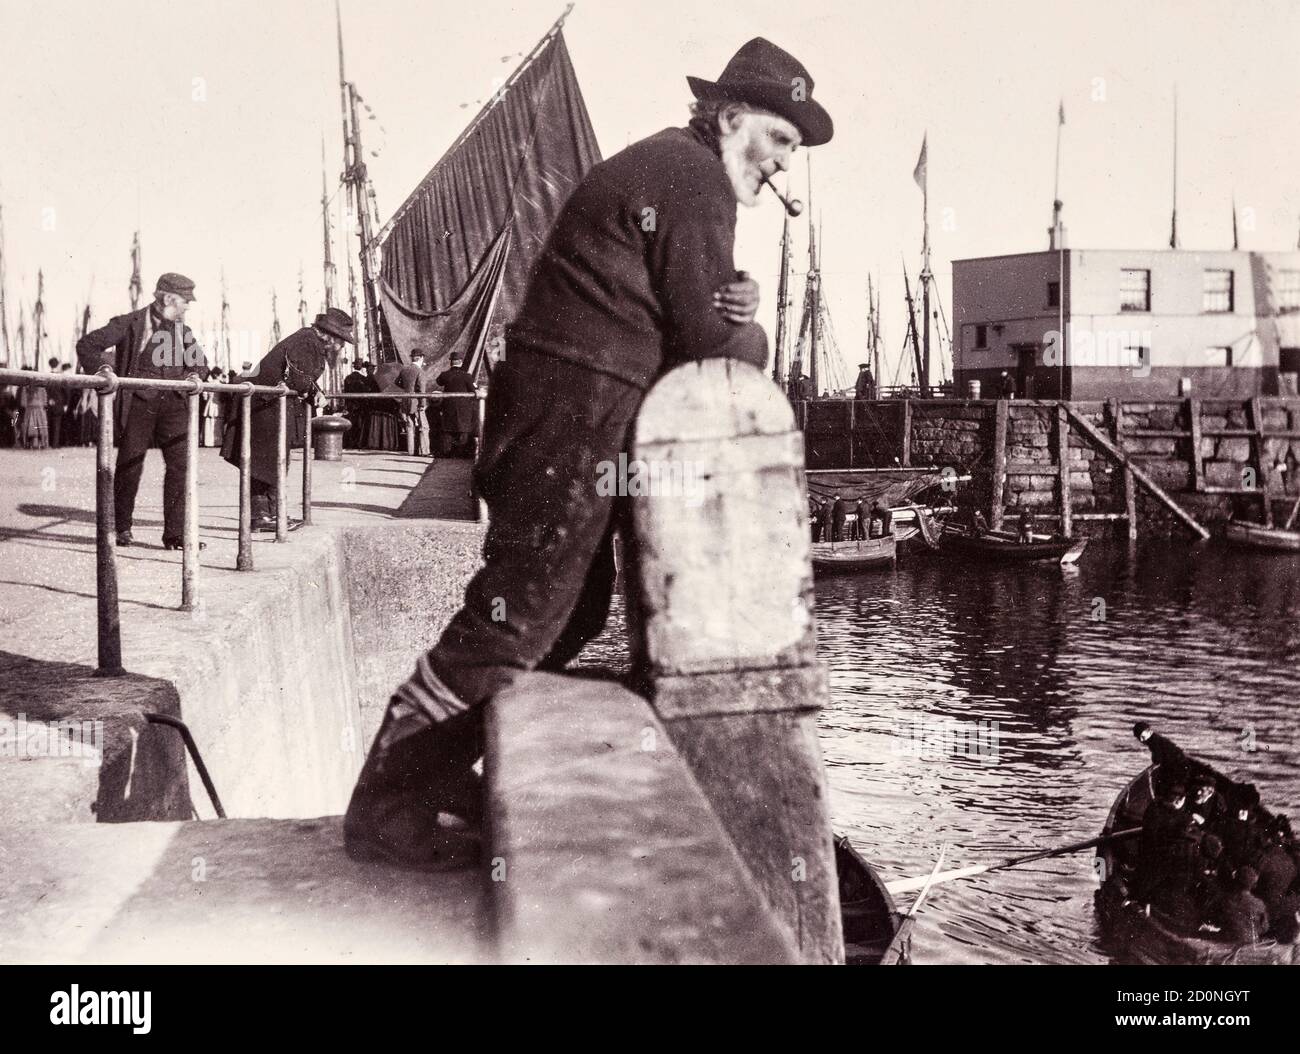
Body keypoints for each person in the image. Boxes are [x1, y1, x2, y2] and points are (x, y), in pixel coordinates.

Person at [344, 36, 834, 869]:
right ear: (732, 117)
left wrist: (732, 302)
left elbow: (687, 306)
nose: (783, 165)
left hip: (563, 412)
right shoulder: (696, 179)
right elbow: (708, 345)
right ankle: (385, 809)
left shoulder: (673, 170)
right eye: (780, 140)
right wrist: (748, 324)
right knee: (518, 617)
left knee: (565, 610)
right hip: (576, 416)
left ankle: (430, 770)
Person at [76, 273, 208, 548]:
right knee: (130, 464)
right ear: (169, 299)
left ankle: (176, 535)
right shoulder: (130, 322)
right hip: (138, 404)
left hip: (174, 406)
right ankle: (120, 528)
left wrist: (194, 374)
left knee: (181, 466)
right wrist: (104, 371)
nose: (187, 307)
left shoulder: (182, 331)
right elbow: (87, 345)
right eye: (184, 301)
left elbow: (201, 363)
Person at [220, 309, 353, 530]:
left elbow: (301, 376)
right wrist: (313, 393)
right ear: (330, 337)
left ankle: (269, 515)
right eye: (341, 341)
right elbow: (298, 378)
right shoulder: (307, 342)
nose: (341, 347)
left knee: (269, 462)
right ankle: (263, 517)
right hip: (265, 406)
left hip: (267, 405)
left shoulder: (308, 340)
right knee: (270, 462)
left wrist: (315, 391)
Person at [435, 353, 477, 457]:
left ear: (450, 362)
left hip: (448, 407)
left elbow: (439, 382)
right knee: (463, 430)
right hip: (463, 408)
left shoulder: (444, 375)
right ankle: (461, 454)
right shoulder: (467, 376)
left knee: (448, 430)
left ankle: (446, 454)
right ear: (461, 362)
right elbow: (473, 390)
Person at [1215, 866, 1269, 944]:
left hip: (1227, 941)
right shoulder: (1259, 904)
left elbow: (1218, 923)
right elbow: (1265, 928)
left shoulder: (1226, 901)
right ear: (1254, 885)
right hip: (1250, 943)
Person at [394, 349, 431, 455]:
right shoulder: (420, 371)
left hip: (406, 400)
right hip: (417, 402)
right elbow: (422, 390)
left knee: (410, 426)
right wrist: (423, 404)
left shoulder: (405, 369)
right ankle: (425, 451)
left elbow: (396, 382)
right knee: (424, 427)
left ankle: (410, 451)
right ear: (421, 358)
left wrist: (407, 388)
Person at [342, 358, 371, 449]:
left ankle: (350, 443)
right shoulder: (363, 379)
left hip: (351, 405)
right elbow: (367, 391)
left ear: (353, 366)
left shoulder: (347, 378)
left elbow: (345, 392)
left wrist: (346, 406)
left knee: (351, 423)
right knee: (361, 424)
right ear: (362, 367)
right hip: (361, 405)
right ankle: (359, 443)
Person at [18, 366, 49, 449]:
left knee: (30, 426)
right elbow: (45, 398)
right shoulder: (41, 386)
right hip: (38, 408)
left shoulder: (27, 386)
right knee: (39, 426)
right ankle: (40, 443)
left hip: (31, 408)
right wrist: (43, 405)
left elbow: (23, 402)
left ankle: (31, 443)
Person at [45, 358, 66, 447]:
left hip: (50, 403)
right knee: (57, 424)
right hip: (59, 403)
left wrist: (49, 399)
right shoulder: (60, 377)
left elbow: (46, 390)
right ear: (57, 365)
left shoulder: (47, 376)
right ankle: (55, 444)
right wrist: (66, 404)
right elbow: (65, 391)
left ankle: (50, 443)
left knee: (50, 424)